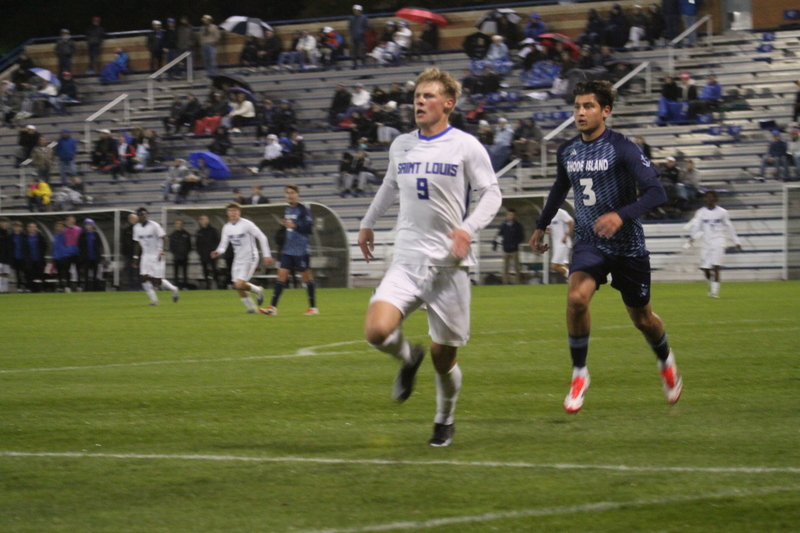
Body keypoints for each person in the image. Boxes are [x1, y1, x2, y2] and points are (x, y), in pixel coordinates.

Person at [357, 68, 502, 447]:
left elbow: (492, 193)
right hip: (407, 259)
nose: (419, 101)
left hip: (447, 267)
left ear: (448, 104)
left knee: (444, 359)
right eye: (417, 96)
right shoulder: (402, 145)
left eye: (428, 96)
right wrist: (368, 223)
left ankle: (444, 417)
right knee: (376, 330)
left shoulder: (466, 145)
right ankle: (408, 357)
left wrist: (467, 229)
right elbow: (390, 184)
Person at [528, 80, 682, 414]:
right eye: (577, 107)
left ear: (605, 111)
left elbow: (657, 192)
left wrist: (621, 215)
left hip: (628, 246)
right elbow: (559, 188)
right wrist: (541, 225)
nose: (580, 113)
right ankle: (580, 372)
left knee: (643, 319)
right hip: (589, 242)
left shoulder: (622, 148)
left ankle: (665, 361)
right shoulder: (567, 150)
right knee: (576, 298)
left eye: (588, 106)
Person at [261, 185, 318, 315]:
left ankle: (313, 308)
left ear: (297, 195)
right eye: (287, 193)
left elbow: (309, 229)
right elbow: (289, 229)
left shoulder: (303, 210)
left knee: (306, 277)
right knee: (281, 276)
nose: (290, 195)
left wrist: (295, 225)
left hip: (301, 250)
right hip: (288, 250)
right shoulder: (288, 209)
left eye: (292, 193)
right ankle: (272, 308)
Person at [211, 203, 273, 313]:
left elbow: (262, 237)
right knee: (237, 286)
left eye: (235, 210)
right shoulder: (227, 227)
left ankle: (258, 291)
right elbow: (223, 245)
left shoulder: (247, 224)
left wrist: (267, 254)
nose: (233, 213)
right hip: (238, 258)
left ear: (239, 212)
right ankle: (253, 306)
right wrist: (218, 251)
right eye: (230, 211)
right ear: (227, 213)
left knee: (240, 284)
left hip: (250, 257)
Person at [687, 190, 742, 297]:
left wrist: (736, 241)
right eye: (707, 197)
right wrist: (692, 237)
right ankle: (712, 285)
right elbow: (697, 225)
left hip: (718, 241)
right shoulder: (701, 212)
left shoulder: (722, 212)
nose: (709, 199)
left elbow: (729, 226)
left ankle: (714, 292)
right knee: (705, 268)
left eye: (711, 197)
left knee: (716, 266)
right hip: (706, 242)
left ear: (715, 199)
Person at [132, 207, 180, 305]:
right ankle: (154, 300)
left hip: (157, 254)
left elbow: (165, 238)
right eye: (140, 214)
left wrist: (162, 252)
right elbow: (137, 243)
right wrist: (135, 257)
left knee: (157, 281)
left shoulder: (154, 226)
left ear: (147, 215)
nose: (143, 216)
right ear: (138, 216)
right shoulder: (136, 228)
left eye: (144, 214)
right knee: (143, 278)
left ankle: (174, 289)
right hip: (145, 255)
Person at [494, 209, 525, 284]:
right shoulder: (504, 226)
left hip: (514, 250)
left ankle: (518, 282)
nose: (510, 216)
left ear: (514, 216)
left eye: (511, 215)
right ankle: (505, 282)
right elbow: (499, 235)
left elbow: (521, 237)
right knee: (505, 267)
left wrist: (514, 243)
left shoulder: (517, 226)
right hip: (506, 249)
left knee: (517, 267)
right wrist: (495, 243)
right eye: (508, 215)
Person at [78, 218, 103, 291]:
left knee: (95, 274)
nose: (88, 226)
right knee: (86, 274)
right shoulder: (82, 235)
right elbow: (80, 246)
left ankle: (95, 288)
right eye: (87, 225)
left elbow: (99, 245)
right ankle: (86, 288)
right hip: (86, 257)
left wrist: (98, 256)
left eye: (90, 225)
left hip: (94, 257)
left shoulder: (96, 234)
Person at [547, 208, 574, 277]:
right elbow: (548, 229)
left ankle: (573, 277)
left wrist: (566, 236)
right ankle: (572, 281)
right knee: (562, 265)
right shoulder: (549, 214)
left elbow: (571, 222)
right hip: (556, 244)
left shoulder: (560, 212)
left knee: (554, 266)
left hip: (563, 243)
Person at [195, 214, 220, 290]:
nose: (203, 221)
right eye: (201, 219)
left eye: (204, 219)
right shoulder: (199, 232)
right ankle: (208, 286)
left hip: (212, 254)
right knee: (205, 270)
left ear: (208, 220)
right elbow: (197, 244)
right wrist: (200, 253)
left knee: (214, 269)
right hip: (203, 254)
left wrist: (215, 251)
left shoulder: (213, 230)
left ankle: (218, 285)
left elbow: (217, 241)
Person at [23, 222, 48, 293]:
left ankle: (41, 289)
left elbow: (45, 246)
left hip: (39, 259)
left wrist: (42, 254)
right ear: (28, 228)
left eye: (34, 227)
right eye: (31, 227)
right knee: (30, 275)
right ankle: (31, 289)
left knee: (40, 275)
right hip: (29, 260)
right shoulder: (25, 237)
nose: (32, 228)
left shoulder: (40, 236)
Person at [169, 219, 192, 289]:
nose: (179, 225)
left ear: (183, 225)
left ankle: (185, 286)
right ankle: (176, 286)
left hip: (184, 256)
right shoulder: (173, 235)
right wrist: (175, 253)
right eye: (177, 223)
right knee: (176, 273)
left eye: (180, 223)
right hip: (176, 257)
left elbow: (189, 245)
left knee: (185, 272)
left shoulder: (186, 234)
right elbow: (171, 246)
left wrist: (186, 253)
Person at [121, 212, 139, 291]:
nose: (133, 220)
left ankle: (139, 287)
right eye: (131, 218)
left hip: (138, 254)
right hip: (128, 254)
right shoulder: (126, 229)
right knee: (130, 272)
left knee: (138, 271)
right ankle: (131, 287)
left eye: (134, 218)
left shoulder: (140, 229)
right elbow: (123, 241)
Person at [349, 4, 369, 69]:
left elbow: (366, 27)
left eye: (357, 10)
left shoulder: (363, 18)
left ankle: (363, 63)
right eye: (355, 10)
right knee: (354, 51)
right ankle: (355, 64)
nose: (355, 12)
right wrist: (352, 33)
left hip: (361, 36)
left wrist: (362, 32)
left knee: (362, 50)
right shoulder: (352, 18)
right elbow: (350, 27)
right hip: (354, 36)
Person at [0, 219, 12, 294]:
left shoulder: (8, 234)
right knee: (0, 274)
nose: (5, 224)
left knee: (6, 274)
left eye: (6, 223)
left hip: (6, 259)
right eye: (3, 223)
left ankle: (5, 289)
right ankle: (0, 289)